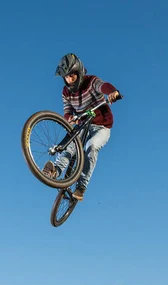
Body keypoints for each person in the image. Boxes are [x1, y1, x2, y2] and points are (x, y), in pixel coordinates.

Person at [43, 53, 122, 201]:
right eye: (66, 77)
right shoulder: (66, 92)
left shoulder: (91, 81)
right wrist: (70, 119)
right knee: (69, 146)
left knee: (91, 147)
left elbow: (103, 86)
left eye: (72, 75)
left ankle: (81, 186)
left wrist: (112, 92)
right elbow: (67, 112)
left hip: (102, 127)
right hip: (82, 125)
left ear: (79, 72)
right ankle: (55, 171)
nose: (70, 79)